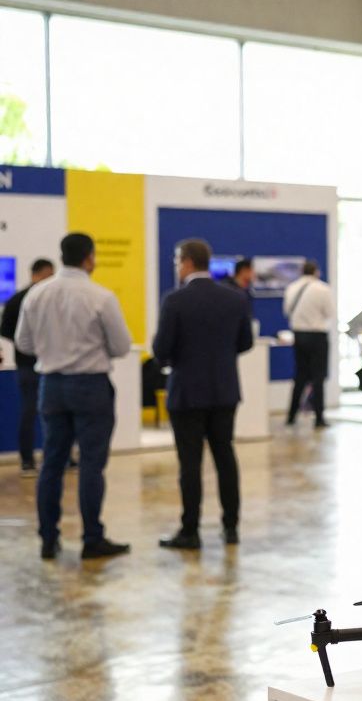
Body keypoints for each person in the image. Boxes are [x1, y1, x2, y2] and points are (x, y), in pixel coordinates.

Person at [15, 233, 132, 561]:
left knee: (51, 463)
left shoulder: (37, 294)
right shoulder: (101, 297)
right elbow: (122, 346)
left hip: (51, 385)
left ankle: (48, 540)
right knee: (92, 465)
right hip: (91, 386)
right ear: (89, 258)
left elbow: (23, 344)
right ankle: (92, 538)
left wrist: (53, 348)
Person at [154, 240, 254, 549]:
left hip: (186, 393)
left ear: (186, 262)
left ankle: (191, 530)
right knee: (225, 457)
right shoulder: (235, 299)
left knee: (190, 464)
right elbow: (245, 342)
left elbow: (161, 351)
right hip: (224, 391)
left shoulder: (175, 301)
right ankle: (231, 527)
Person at [0, 257, 55, 477]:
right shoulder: (20, 300)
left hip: (49, 365)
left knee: (55, 414)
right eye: (48, 274)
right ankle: (27, 460)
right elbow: (5, 330)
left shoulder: (50, 299)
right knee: (30, 412)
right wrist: (28, 343)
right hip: (28, 366)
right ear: (38, 274)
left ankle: (58, 457)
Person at [283, 260, 334, 427]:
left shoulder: (292, 288)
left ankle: (291, 416)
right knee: (318, 378)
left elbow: (286, 312)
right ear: (316, 272)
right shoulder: (322, 289)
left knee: (300, 376)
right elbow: (330, 313)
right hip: (317, 335)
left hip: (298, 335)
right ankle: (319, 417)